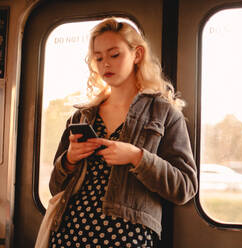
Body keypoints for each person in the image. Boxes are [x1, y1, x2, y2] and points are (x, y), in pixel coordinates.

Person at [48, 17, 198, 247]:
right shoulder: (82, 116)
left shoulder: (164, 113)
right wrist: (69, 160)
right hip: (69, 233)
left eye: (114, 54)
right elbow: (54, 188)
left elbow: (185, 187)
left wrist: (137, 158)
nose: (105, 63)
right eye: (98, 57)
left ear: (136, 55)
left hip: (126, 237)